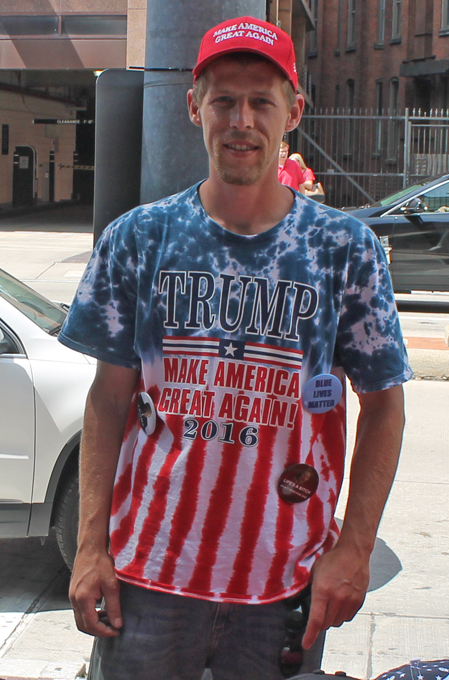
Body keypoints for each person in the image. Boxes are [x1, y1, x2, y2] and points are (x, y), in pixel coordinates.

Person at [58, 14, 412, 680]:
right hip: (148, 579)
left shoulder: (343, 251)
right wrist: (90, 549)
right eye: (223, 99)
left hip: (285, 585)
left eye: (260, 100)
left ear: (293, 112)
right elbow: (108, 400)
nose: (241, 119)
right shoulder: (140, 239)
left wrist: (354, 550)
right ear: (195, 108)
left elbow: (385, 407)